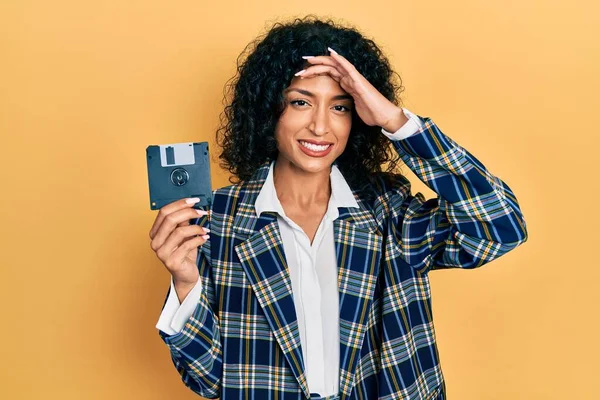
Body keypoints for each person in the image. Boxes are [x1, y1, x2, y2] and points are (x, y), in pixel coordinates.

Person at [148, 15, 528, 400]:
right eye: (300, 102)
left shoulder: (388, 212)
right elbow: (210, 380)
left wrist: (394, 121)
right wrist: (185, 282)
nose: (319, 126)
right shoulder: (218, 221)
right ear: (269, 110)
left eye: (341, 107)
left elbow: (501, 227)